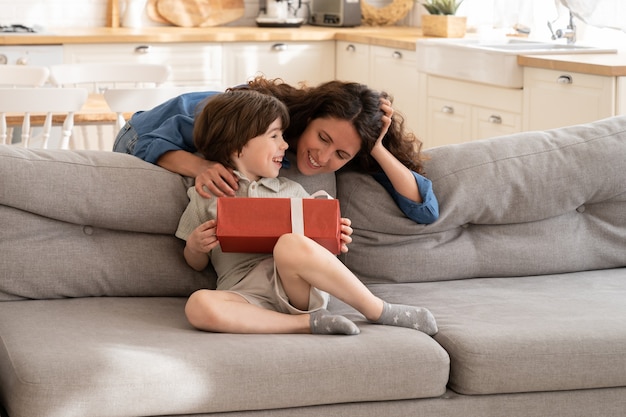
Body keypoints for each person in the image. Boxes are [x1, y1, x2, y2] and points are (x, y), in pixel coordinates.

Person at [175, 88, 438, 336]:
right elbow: (194, 262)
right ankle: (305, 324)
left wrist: (333, 236)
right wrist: (196, 247)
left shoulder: (292, 190)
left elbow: (314, 254)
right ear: (238, 144)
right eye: (275, 136)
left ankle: (377, 309)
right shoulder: (207, 193)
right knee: (197, 305)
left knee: (290, 244)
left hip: (294, 288)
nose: (285, 145)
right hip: (244, 296)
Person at [113, 77, 438, 224]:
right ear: (308, 118)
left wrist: (377, 147)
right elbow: (146, 142)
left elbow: (424, 208)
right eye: (322, 138)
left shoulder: (351, 148)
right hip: (144, 129)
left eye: (341, 155)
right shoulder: (256, 118)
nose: (323, 158)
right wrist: (200, 167)